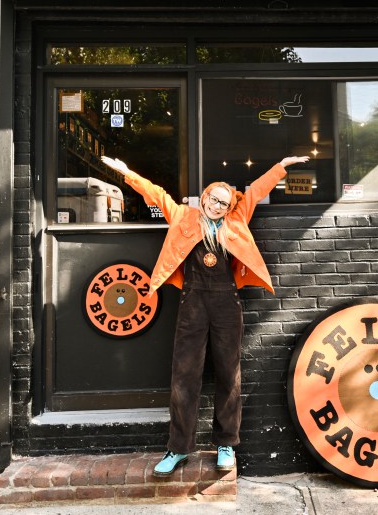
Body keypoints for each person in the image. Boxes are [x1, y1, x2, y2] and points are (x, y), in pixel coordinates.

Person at [100, 154, 310, 476]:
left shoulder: (235, 223)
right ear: (205, 197)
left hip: (227, 304)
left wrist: (282, 166)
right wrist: (128, 173)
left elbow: (255, 190)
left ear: (229, 208)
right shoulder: (185, 217)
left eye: (224, 203)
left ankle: (225, 444)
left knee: (229, 374)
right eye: (214, 199)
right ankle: (177, 448)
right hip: (193, 303)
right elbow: (156, 194)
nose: (217, 206)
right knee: (185, 377)